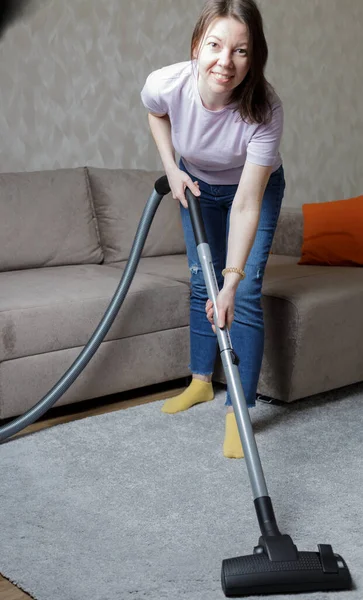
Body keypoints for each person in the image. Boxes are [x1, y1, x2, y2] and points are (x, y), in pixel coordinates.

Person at [140, 0, 285, 459]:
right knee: (202, 279)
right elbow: (155, 113)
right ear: (196, 46)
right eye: (215, 45)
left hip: (251, 189)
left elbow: (246, 204)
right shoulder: (167, 83)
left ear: (254, 55)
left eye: (240, 51)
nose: (225, 61)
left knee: (238, 293)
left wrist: (233, 278)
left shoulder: (265, 108)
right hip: (195, 185)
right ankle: (200, 382)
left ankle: (237, 409)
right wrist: (172, 168)